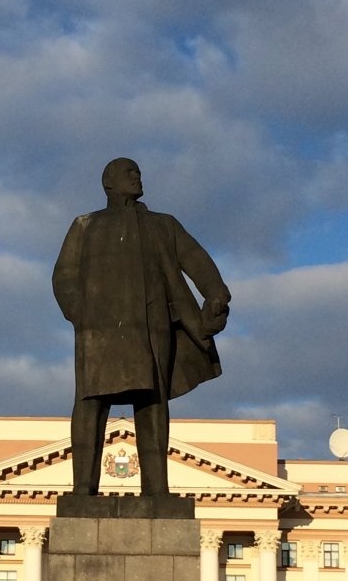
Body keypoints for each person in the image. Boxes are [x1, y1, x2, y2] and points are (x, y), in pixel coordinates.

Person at [52, 158, 231, 497]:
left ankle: (156, 490)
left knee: (152, 401)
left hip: (153, 327)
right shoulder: (85, 225)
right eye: (129, 173)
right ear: (109, 182)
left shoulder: (162, 225)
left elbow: (197, 261)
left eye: (138, 173)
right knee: (91, 401)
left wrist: (216, 294)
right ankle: (82, 489)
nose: (137, 177)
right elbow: (64, 277)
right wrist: (82, 315)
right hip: (98, 332)